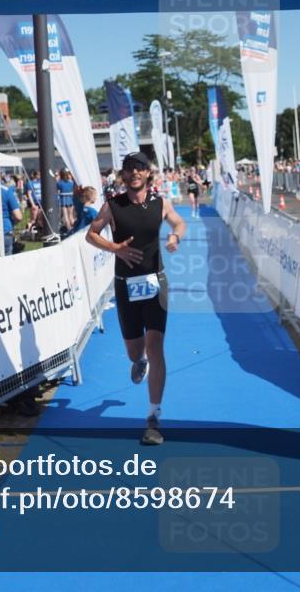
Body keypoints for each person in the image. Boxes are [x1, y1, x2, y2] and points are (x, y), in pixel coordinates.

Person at [86, 152, 186, 446]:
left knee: (156, 346)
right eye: (129, 169)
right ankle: (138, 360)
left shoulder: (160, 203)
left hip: (155, 282)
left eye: (139, 169)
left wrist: (174, 237)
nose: (134, 173)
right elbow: (91, 234)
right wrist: (115, 248)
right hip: (125, 285)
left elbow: (179, 223)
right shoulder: (112, 205)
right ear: (124, 175)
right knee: (135, 351)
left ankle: (153, 417)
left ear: (148, 173)